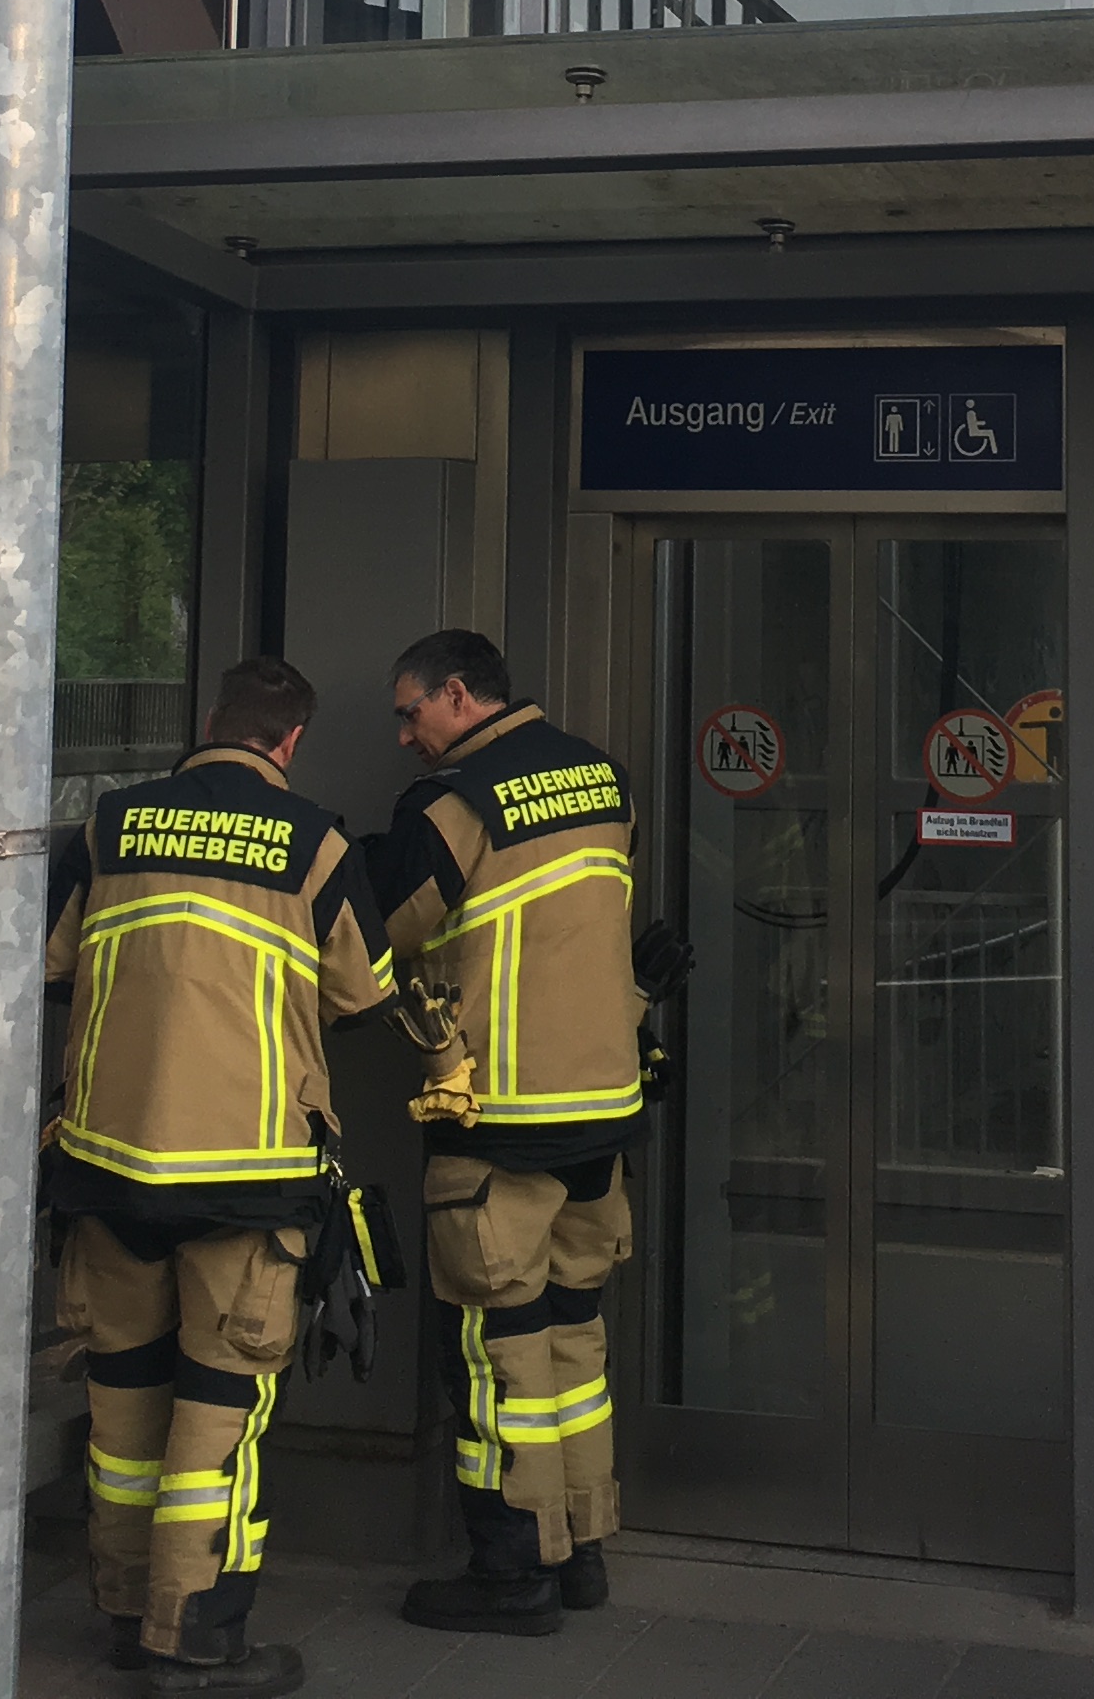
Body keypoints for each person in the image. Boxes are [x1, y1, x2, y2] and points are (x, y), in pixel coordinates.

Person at [44, 656, 395, 1694]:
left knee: (122, 1407)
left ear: (209, 722)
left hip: (107, 1166)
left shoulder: (109, 826)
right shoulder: (315, 843)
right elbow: (362, 997)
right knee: (218, 1411)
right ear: (290, 741)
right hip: (248, 1179)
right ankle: (194, 1636)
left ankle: (124, 1611)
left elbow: (51, 965)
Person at [367, 629, 642, 1636]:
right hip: (599, 1110)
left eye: (411, 712)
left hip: (500, 1118)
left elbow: (375, 934)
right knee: (573, 1339)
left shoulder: (452, 805)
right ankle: (582, 1548)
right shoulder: (602, 779)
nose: (404, 736)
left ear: (457, 694)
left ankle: (512, 1573)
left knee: (497, 1354)